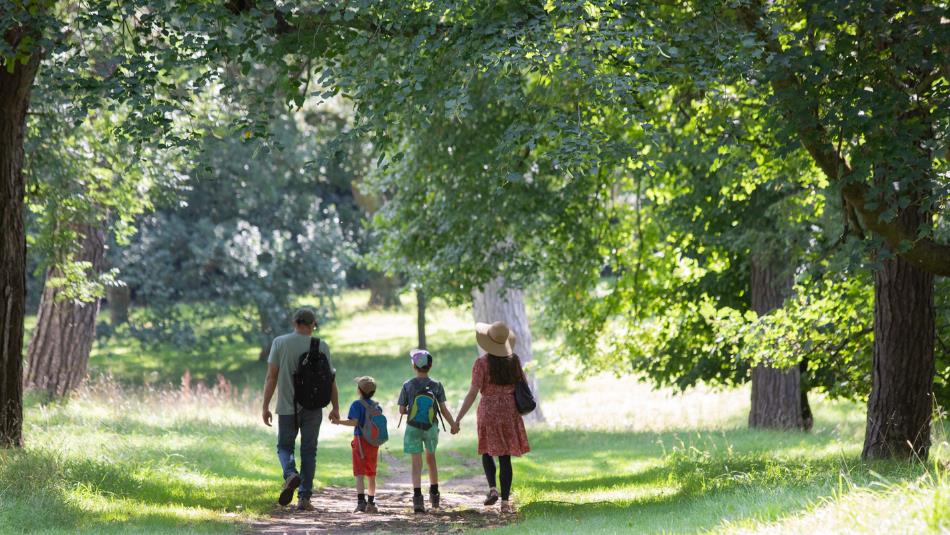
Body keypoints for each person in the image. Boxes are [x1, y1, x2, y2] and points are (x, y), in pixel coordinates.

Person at [261, 307, 340, 511]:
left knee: (285, 447)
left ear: (294, 322)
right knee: (309, 451)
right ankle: (304, 498)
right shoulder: (321, 345)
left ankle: (290, 474)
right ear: (313, 324)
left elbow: (271, 377)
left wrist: (265, 406)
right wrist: (335, 408)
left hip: (287, 406)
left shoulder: (280, 342)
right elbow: (330, 380)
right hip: (313, 407)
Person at [453, 321, 531, 514]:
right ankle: (505, 502)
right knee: (505, 457)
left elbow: (472, 393)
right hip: (509, 410)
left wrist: (458, 418)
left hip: (488, 409)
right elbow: (524, 385)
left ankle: (492, 488)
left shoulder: (481, 364)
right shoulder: (514, 361)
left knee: (487, 450)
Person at [398, 349, 457, 514]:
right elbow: (443, 409)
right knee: (431, 459)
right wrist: (453, 424)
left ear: (414, 365)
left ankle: (417, 500)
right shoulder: (436, 385)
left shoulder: (407, 385)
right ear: (430, 366)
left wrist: (411, 409)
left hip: (413, 428)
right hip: (431, 428)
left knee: (416, 463)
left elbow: (402, 410)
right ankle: (435, 495)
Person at [334, 376, 382, 513]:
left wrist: (339, 422)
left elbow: (354, 422)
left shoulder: (356, 405)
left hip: (360, 442)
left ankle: (361, 503)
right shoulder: (377, 406)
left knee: (359, 473)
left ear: (359, 390)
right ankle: (372, 503)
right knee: (371, 474)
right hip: (373, 443)